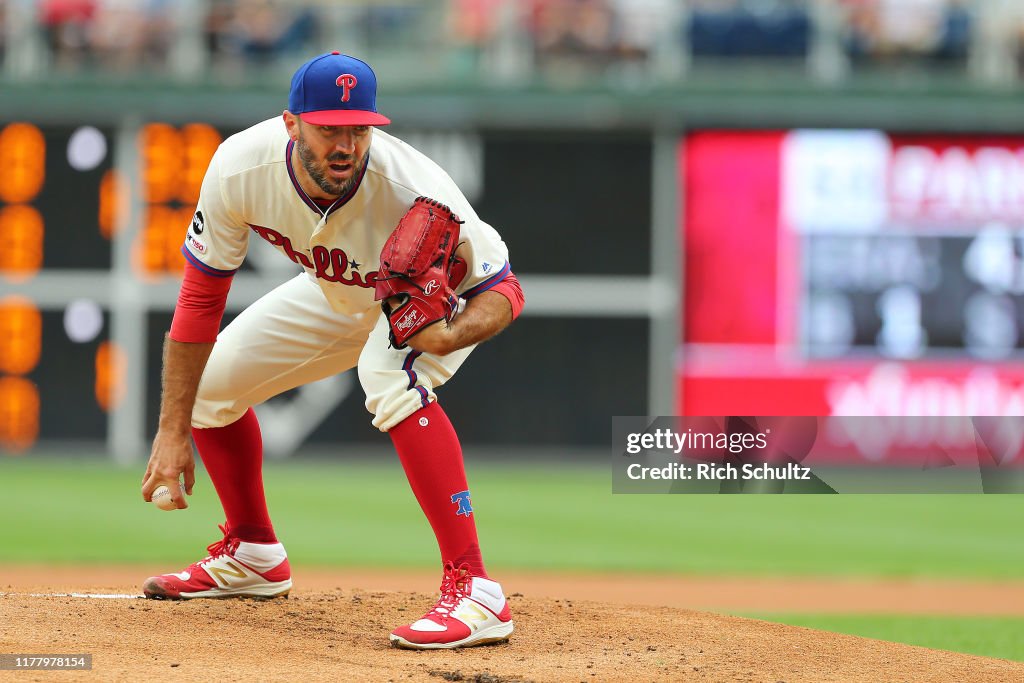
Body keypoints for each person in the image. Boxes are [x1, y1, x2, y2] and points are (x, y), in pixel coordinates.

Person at [139, 51, 524, 650]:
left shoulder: (413, 186)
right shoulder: (241, 168)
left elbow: (504, 290)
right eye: (328, 128)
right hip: (334, 294)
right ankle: (253, 554)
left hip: (418, 312)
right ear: (291, 124)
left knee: (385, 373)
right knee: (209, 389)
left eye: (359, 128)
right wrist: (170, 430)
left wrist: (447, 335)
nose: (345, 144)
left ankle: (476, 592)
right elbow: (198, 302)